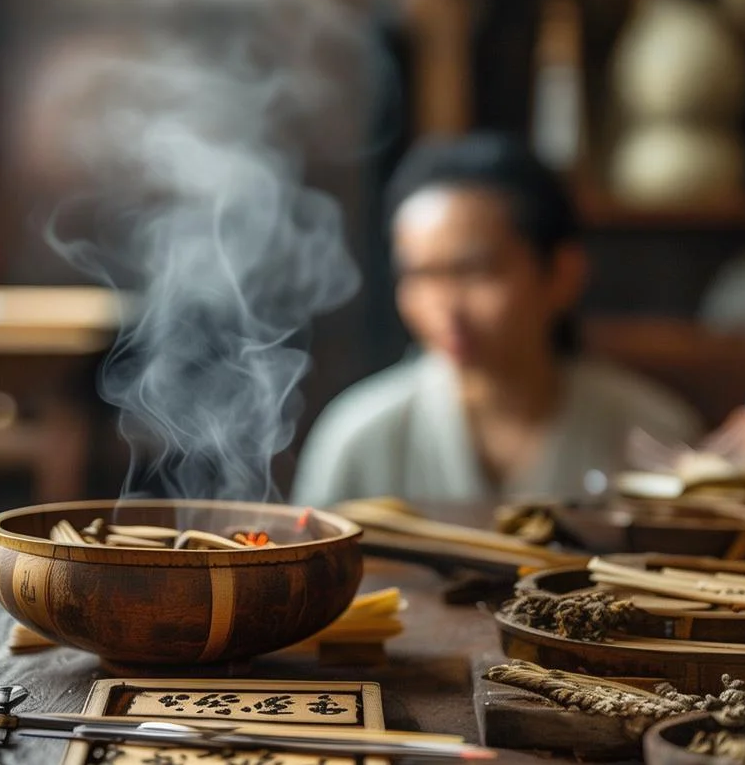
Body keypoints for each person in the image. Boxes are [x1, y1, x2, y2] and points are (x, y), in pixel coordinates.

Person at [291, 132, 703, 506]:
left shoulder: (653, 430)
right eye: (420, 275)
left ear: (562, 274)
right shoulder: (359, 437)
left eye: (475, 272)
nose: (444, 307)